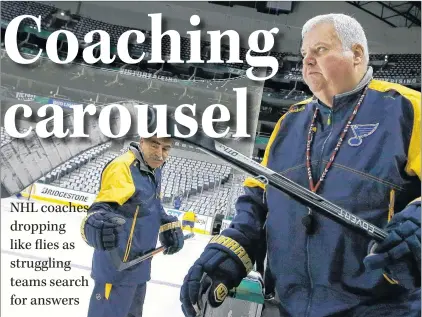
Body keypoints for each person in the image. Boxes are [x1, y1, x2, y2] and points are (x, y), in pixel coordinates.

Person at [180, 13, 420, 317]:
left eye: (319, 50)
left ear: (356, 54)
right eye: (304, 53)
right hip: (288, 308)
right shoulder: (289, 122)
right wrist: (225, 254)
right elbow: (255, 207)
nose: (306, 61)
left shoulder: (407, 109)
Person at [81, 136, 185, 317]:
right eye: (155, 145)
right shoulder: (123, 167)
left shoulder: (154, 168)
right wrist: (93, 225)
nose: (160, 154)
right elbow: (101, 209)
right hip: (117, 270)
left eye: (166, 149)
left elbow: (152, 205)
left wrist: (167, 224)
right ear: (142, 141)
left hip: (140, 266)